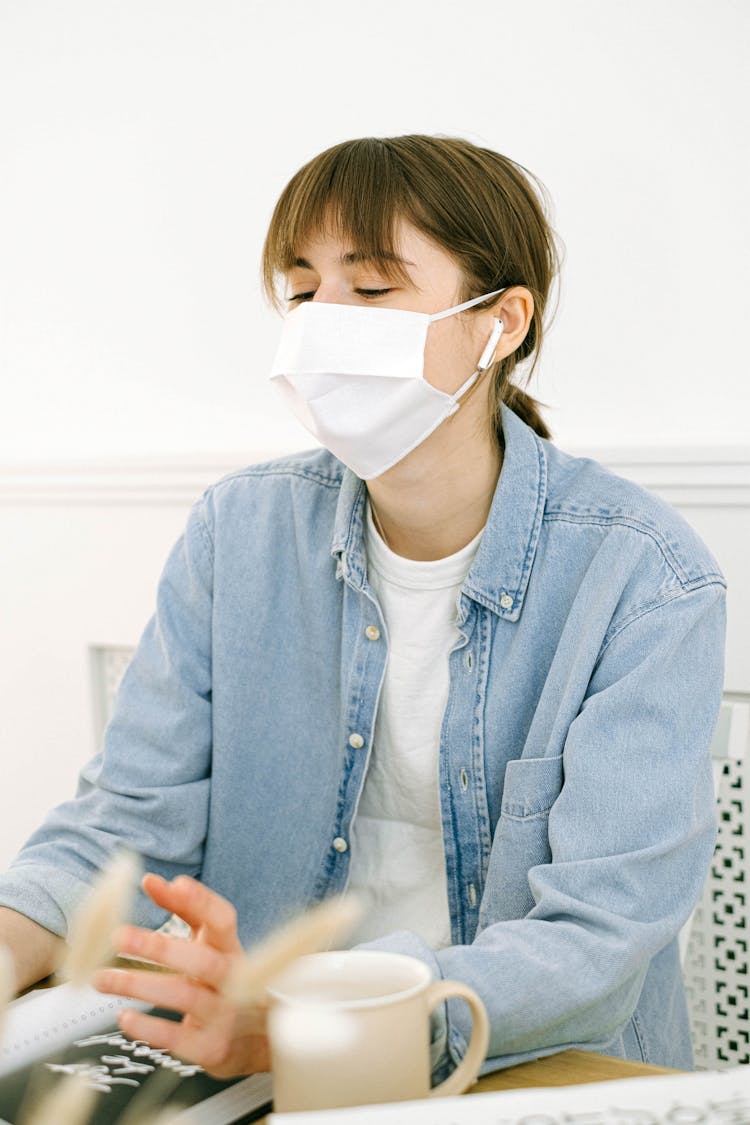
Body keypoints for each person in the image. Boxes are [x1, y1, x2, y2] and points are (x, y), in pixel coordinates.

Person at [0, 135, 726, 1081]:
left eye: (374, 290)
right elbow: (124, 822)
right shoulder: (238, 532)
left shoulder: (646, 579)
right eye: (303, 291)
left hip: (514, 1066)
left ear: (501, 322)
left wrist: (312, 1017)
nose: (323, 321)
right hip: (252, 1061)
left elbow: (597, 945)